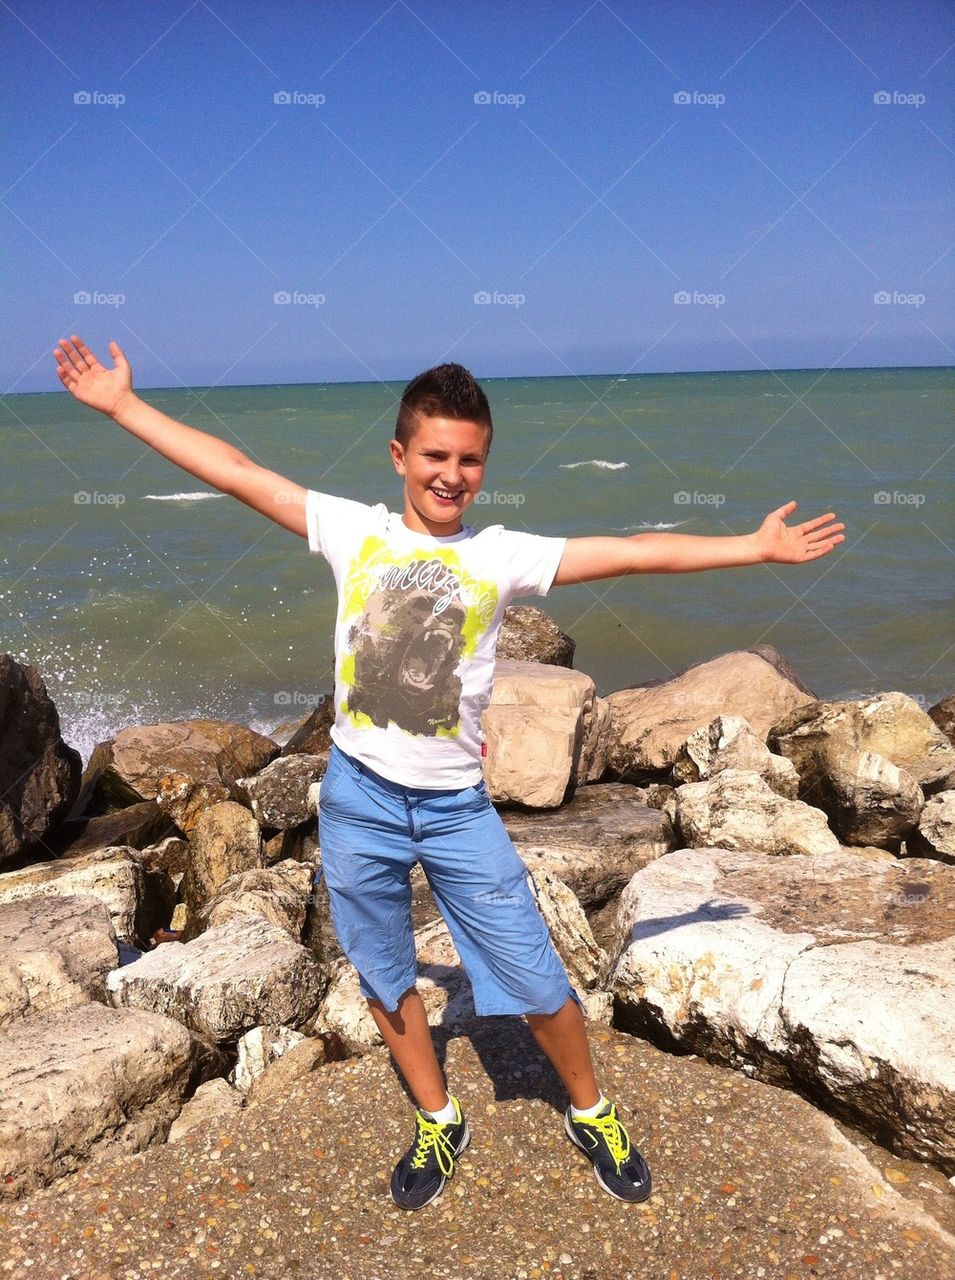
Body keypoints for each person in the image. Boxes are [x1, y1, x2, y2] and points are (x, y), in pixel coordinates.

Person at [53, 335, 846, 1211]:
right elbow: (238, 471)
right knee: (386, 971)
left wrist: (752, 547)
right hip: (357, 798)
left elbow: (629, 549)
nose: (451, 473)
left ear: (483, 466)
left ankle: (591, 1109)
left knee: (537, 976)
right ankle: (438, 1116)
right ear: (400, 456)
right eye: (435, 455)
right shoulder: (355, 532)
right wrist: (124, 406)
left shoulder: (498, 556)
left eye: (469, 459)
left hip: (456, 809)